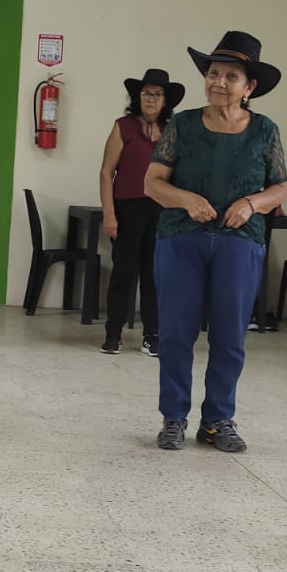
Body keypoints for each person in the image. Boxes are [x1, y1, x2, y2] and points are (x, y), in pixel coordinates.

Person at [145, 31, 287, 454]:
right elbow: (153, 182)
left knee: (229, 337)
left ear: (250, 87)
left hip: (241, 242)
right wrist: (185, 199)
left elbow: (280, 187)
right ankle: (173, 417)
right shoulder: (182, 125)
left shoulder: (265, 130)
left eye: (231, 76)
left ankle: (216, 421)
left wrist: (251, 203)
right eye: (213, 74)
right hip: (180, 238)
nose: (219, 82)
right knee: (175, 333)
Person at [98, 67, 183, 356]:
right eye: (146, 93)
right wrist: (109, 213)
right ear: (138, 97)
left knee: (154, 274)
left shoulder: (173, 131)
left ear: (165, 100)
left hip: (161, 210)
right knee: (123, 272)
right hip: (127, 208)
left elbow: (178, 174)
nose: (151, 99)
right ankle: (113, 333)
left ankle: (152, 335)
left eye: (157, 94)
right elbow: (106, 172)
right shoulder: (123, 126)